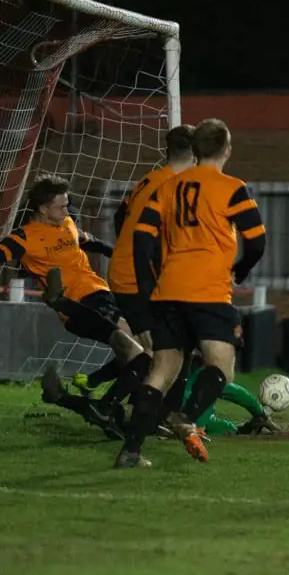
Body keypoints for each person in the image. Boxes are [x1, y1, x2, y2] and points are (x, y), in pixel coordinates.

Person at [116, 118, 266, 468]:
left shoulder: (167, 188)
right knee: (221, 369)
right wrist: (241, 269)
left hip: (168, 290)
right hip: (209, 293)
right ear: (227, 149)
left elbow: (140, 237)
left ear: (196, 150)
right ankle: (185, 417)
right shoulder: (232, 188)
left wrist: (147, 286)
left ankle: (131, 451)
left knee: (162, 369)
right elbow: (257, 240)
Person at [0, 174, 148, 435]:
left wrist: (124, 254)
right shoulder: (25, 237)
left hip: (102, 295)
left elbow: (92, 243)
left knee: (144, 351)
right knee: (139, 351)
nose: (67, 209)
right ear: (43, 209)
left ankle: (107, 407)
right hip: (76, 305)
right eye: (62, 205)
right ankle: (108, 404)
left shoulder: (67, 223)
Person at [72, 124, 198, 400]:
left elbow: (121, 218)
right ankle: (120, 408)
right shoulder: (175, 187)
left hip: (125, 271)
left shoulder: (148, 180)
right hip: (140, 278)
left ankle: (112, 399)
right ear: (195, 155)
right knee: (167, 350)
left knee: (159, 348)